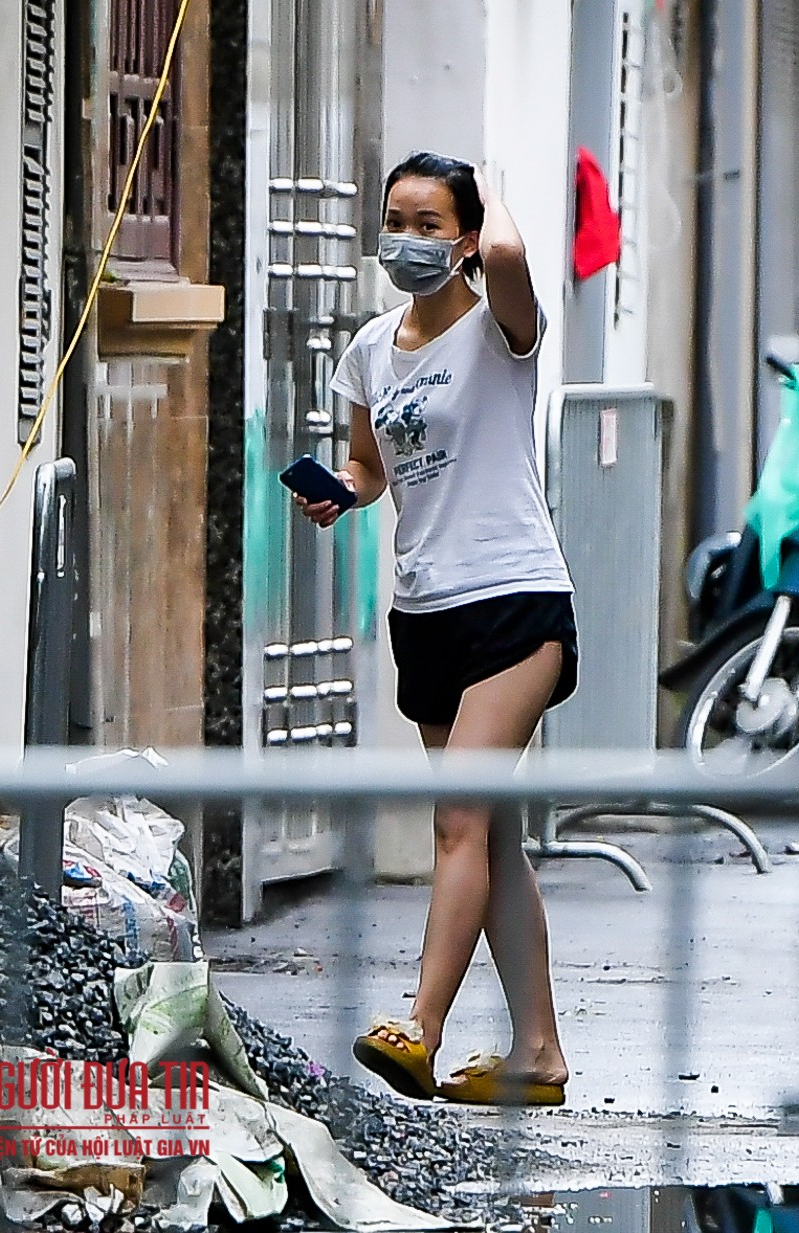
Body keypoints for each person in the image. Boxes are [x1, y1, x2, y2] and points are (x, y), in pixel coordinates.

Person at [297, 151, 576, 1103]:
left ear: (462, 239)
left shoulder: (506, 331)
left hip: (515, 599)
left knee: (458, 819)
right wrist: (343, 494)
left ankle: (420, 1023)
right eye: (396, 222)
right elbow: (370, 466)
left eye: (429, 224)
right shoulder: (372, 349)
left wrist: (494, 190)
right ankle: (537, 1050)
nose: (406, 241)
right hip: (424, 609)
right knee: (489, 836)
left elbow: (507, 247)